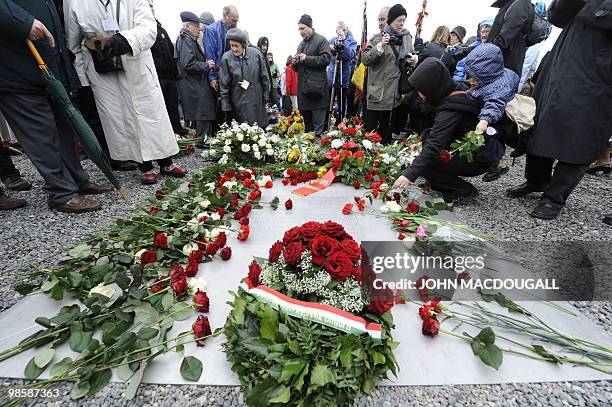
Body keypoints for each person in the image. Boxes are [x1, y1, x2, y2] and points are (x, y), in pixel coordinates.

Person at [1, 0, 111, 213]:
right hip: (16, 69)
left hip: (47, 68)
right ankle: (61, 192)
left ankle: (77, 180)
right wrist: (23, 22)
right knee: (41, 134)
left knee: (64, 129)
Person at [507, 0, 612, 220]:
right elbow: (557, 16)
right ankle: (537, 180)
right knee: (542, 125)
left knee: (581, 136)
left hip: (598, 73)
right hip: (562, 63)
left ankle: (554, 198)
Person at [66, 0, 186, 186]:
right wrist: (83, 79)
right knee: (123, 119)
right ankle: (145, 166)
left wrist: (125, 39)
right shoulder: (75, 3)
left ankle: (166, 162)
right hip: (102, 70)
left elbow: (148, 28)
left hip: (136, 64)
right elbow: (73, 45)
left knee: (153, 116)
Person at [392, 58, 501, 204]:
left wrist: (408, 175)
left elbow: (435, 144)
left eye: (422, 90)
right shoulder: (457, 87)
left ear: (432, 87)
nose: (419, 94)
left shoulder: (450, 110)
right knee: (425, 153)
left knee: (426, 164)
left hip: (478, 158)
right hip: (483, 151)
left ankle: (463, 190)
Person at [463, 43, 520, 182]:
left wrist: (484, 120)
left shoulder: (500, 87)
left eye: (474, 78)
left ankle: (497, 164)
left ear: (487, 74)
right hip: (493, 120)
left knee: (489, 139)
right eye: (469, 76)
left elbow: (495, 104)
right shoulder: (490, 79)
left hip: (498, 123)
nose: (470, 81)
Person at [361, 4, 415, 144]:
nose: (401, 23)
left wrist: (414, 59)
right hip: (377, 94)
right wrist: (380, 46)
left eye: (403, 20)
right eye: (399, 20)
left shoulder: (406, 38)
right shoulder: (376, 38)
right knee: (370, 133)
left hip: (394, 95)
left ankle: (383, 160)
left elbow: (410, 55)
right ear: (391, 20)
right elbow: (365, 60)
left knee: (386, 134)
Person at [175, 12, 217, 147]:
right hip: (193, 82)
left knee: (204, 110)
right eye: (196, 26)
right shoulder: (186, 38)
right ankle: (202, 141)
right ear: (188, 26)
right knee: (203, 110)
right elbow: (188, 63)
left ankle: (203, 140)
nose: (199, 29)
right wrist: (206, 65)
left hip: (194, 81)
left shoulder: (187, 38)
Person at [219, 28, 271, 128]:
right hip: (237, 102)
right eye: (231, 46)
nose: (234, 49)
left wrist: (266, 96)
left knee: (258, 130)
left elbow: (264, 77)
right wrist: (226, 106)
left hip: (256, 100)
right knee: (242, 134)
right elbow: (224, 85)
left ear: (244, 45)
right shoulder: (226, 58)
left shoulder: (256, 54)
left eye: (236, 46)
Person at [148, 0, 184, 137]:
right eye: (148, 5)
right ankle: (166, 136)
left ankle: (177, 133)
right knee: (160, 110)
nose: (151, 8)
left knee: (172, 107)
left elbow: (171, 51)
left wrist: (175, 71)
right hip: (157, 77)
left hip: (169, 77)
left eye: (152, 6)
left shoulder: (161, 29)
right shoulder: (144, 29)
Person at [293, 14, 331, 136]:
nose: (300, 32)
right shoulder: (301, 44)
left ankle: (319, 153)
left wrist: (307, 59)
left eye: (302, 28)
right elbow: (298, 68)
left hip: (317, 93)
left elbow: (326, 59)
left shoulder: (321, 40)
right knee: (308, 132)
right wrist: (295, 62)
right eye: (299, 29)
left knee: (318, 133)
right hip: (304, 94)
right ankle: (309, 153)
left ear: (310, 26)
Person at [488, 0, 533, 76]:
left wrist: (484, 52)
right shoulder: (509, 4)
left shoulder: (521, 3)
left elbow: (504, 38)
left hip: (504, 65)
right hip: (498, 61)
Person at [326, 21, 357, 123]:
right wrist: (330, 49)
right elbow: (326, 56)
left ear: (347, 29)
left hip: (343, 79)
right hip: (331, 77)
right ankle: (326, 123)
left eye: (344, 30)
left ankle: (341, 124)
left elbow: (349, 56)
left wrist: (344, 41)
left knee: (342, 105)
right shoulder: (332, 40)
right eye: (339, 30)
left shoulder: (352, 42)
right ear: (336, 30)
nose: (341, 32)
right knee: (328, 104)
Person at [205, 5, 239, 93]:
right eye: (233, 20)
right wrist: (212, 77)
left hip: (231, 75)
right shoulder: (211, 30)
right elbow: (210, 55)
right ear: (225, 16)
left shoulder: (233, 31)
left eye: (237, 21)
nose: (235, 23)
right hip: (218, 75)